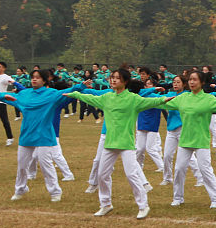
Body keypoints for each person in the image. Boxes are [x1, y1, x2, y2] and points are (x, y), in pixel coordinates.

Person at [66, 68, 171, 218]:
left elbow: (149, 101)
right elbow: (90, 98)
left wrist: (163, 99)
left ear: (125, 81)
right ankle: (106, 204)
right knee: (102, 174)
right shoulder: (107, 97)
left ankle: (143, 206)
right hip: (110, 143)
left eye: (117, 78)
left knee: (131, 175)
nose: (113, 80)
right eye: (112, 77)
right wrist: (75, 94)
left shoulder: (133, 99)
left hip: (126, 144)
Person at [166, 68, 216, 211]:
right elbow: (163, 103)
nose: (191, 82)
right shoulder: (182, 98)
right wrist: (147, 102)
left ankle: (215, 199)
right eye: (190, 79)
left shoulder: (208, 99)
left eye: (195, 79)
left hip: (201, 141)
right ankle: (177, 198)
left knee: (205, 170)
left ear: (202, 82)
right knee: (178, 170)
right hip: (185, 140)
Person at [0, 68, 75, 202]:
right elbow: (7, 97)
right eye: (33, 77)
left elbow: (68, 92)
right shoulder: (25, 94)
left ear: (44, 80)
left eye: (38, 77)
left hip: (44, 136)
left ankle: (55, 192)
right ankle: (20, 189)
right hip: (27, 135)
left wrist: (82, 86)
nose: (34, 79)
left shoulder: (51, 94)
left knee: (46, 165)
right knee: (22, 166)